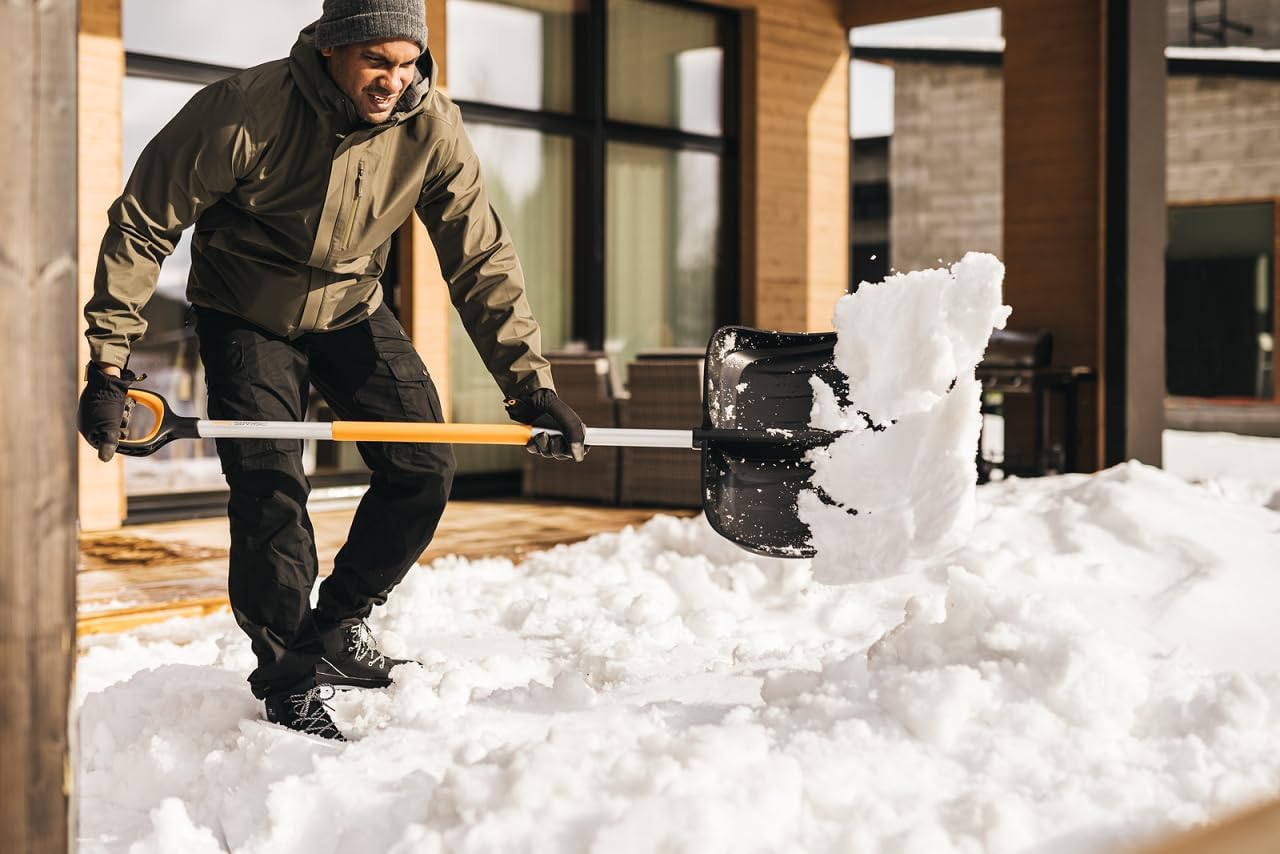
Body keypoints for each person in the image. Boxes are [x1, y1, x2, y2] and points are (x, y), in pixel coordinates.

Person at [77, 0, 586, 741]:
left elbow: (479, 258)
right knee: (271, 486)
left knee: (422, 463)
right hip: (245, 310)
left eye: (408, 63)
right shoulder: (245, 110)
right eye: (377, 61)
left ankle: (340, 622)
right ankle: (287, 679)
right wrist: (109, 362)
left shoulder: (430, 126)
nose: (394, 80)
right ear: (331, 52)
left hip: (351, 305)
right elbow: (143, 222)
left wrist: (529, 384)